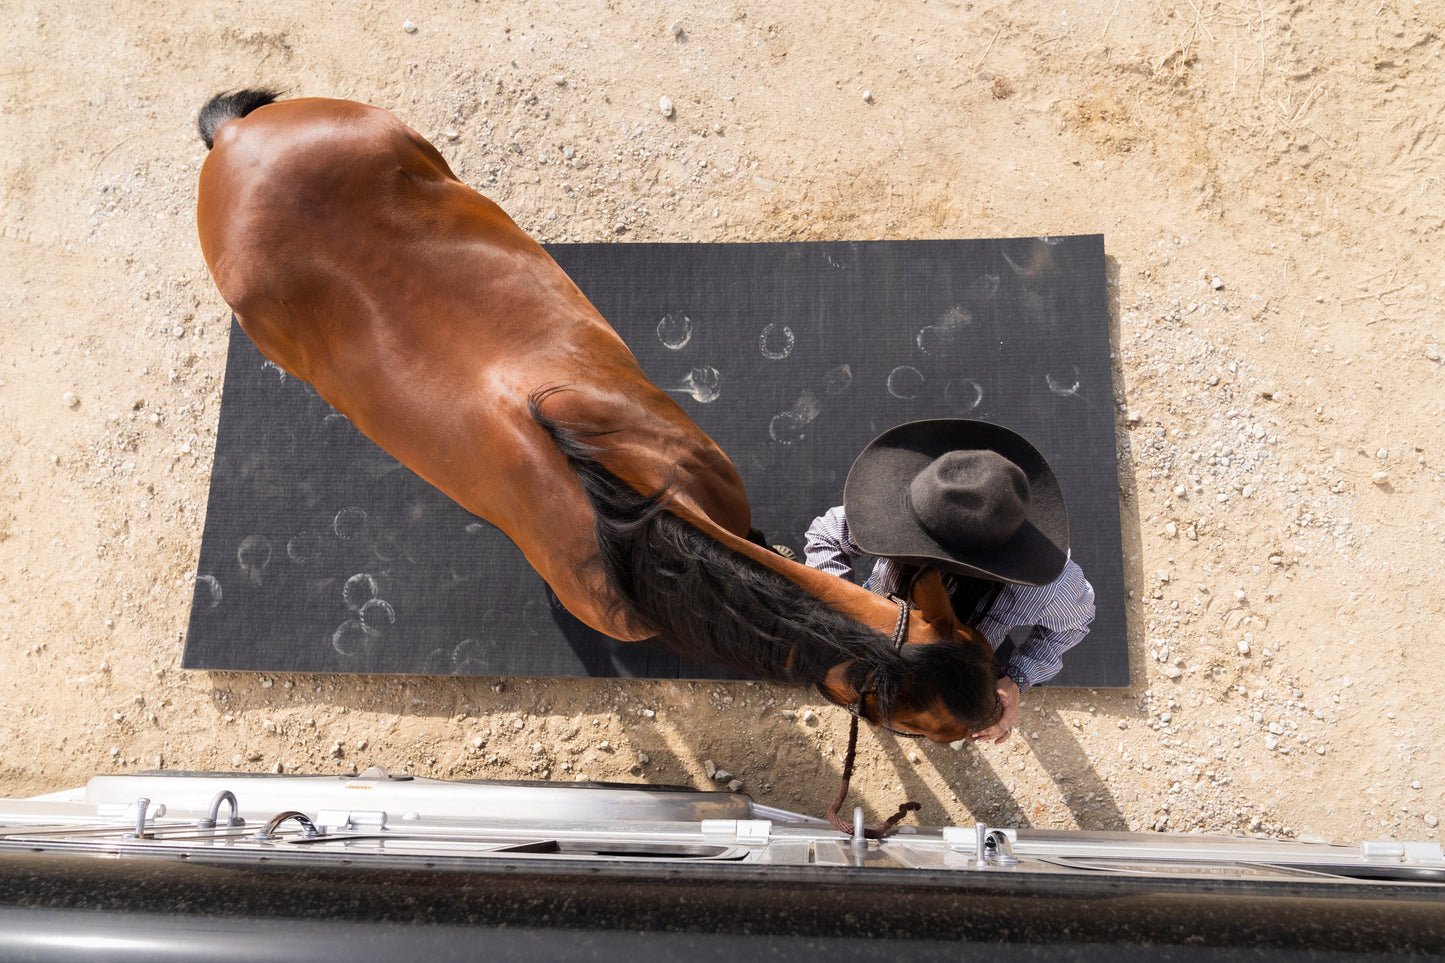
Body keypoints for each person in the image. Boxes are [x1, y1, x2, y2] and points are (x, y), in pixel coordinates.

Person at [805, 418, 1095, 745]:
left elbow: (1074, 624)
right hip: (877, 625)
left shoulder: (1052, 586)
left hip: (957, 671)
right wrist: (846, 615)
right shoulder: (908, 506)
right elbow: (828, 533)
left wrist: (1016, 677)